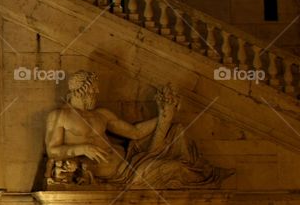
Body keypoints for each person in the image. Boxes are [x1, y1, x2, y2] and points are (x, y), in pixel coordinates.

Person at [44, 70, 232, 188]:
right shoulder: (60, 116)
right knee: (174, 168)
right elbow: (52, 151)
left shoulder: (102, 114)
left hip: (128, 163)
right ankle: (207, 176)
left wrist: (164, 114)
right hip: (114, 174)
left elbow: (135, 132)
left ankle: (205, 175)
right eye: (94, 89)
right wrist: (82, 148)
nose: (98, 92)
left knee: (176, 131)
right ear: (82, 90)